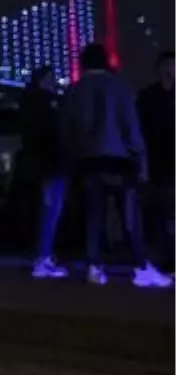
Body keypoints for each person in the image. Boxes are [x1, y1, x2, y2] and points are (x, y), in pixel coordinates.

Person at [61, 43, 170, 288]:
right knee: (130, 219)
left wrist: (75, 157)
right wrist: (142, 164)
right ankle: (142, 267)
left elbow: (66, 132)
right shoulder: (119, 88)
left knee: (94, 217)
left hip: (88, 163)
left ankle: (94, 267)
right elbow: (131, 129)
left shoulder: (73, 91)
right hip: (119, 162)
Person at [19, 66, 69, 279]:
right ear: (40, 81)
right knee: (51, 212)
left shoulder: (31, 104)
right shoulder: (45, 105)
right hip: (51, 166)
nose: (53, 82)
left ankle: (44, 256)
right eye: (49, 78)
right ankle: (43, 259)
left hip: (44, 166)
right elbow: (50, 138)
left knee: (48, 212)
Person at [137, 51, 176, 270]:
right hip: (156, 164)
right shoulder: (148, 97)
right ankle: (164, 261)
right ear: (162, 68)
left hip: (167, 164)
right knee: (158, 215)